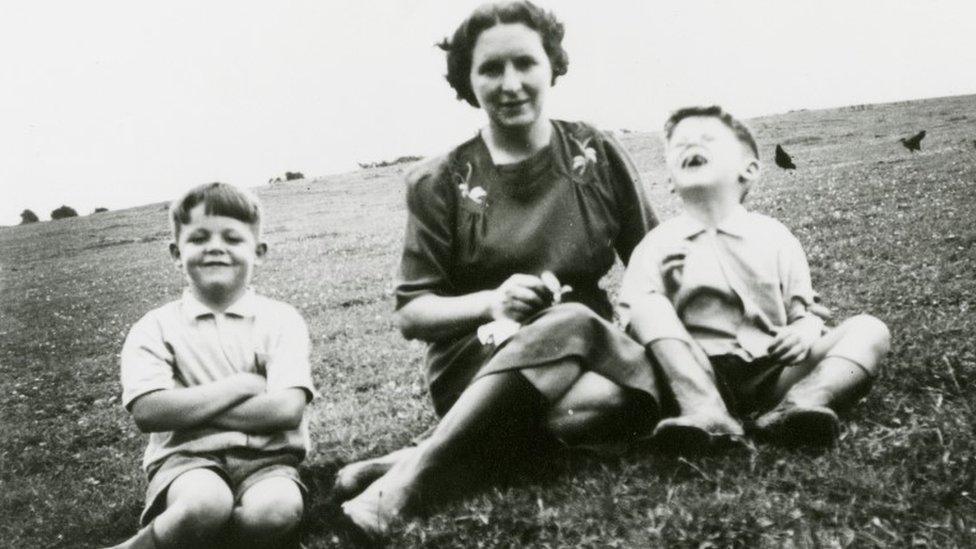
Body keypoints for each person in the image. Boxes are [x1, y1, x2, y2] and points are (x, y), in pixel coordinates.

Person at [336, 0, 661, 537]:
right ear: (467, 80)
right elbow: (413, 314)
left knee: (604, 396)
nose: (510, 83)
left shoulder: (597, 153)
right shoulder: (438, 180)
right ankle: (411, 485)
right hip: (480, 363)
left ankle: (418, 458)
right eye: (490, 68)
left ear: (552, 64)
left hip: (591, 358)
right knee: (573, 323)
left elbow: (653, 267)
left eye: (525, 63)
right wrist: (494, 301)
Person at [619, 106, 891, 452]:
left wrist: (802, 332)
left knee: (870, 329)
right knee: (647, 304)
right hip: (691, 376)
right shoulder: (656, 243)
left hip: (772, 373)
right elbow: (632, 321)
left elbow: (804, 312)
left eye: (707, 139)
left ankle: (799, 405)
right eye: (679, 145)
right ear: (670, 181)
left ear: (748, 169)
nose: (690, 146)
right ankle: (705, 412)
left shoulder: (775, 236)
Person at [110, 182, 316, 549]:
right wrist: (237, 387)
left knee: (277, 511)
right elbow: (149, 411)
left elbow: (286, 409)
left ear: (259, 251)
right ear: (176, 252)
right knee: (206, 504)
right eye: (199, 238)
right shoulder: (154, 327)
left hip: (268, 458)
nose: (216, 247)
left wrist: (186, 407)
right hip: (186, 459)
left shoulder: (281, 319)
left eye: (233, 238)